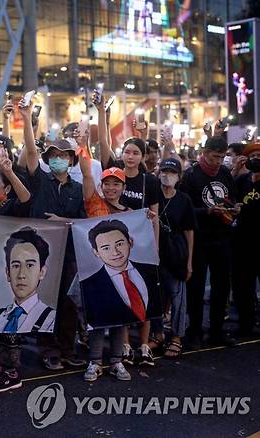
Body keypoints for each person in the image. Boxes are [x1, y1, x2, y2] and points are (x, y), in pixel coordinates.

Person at [20, 100, 86, 371]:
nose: (59, 158)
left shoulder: (79, 188)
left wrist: (64, 221)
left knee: (69, 303)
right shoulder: (40, 180)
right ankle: (48, 348)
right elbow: (31, 153)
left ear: (72, 160)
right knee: (45, 300)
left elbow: (84, 221)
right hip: (42, 252)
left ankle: (68, 348)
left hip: (69, 252)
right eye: (54, 154)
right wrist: (26, 119)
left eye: (64, 154)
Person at [96, 94, 160, 366]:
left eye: (136, 152)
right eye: (127, 151)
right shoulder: (114, 172)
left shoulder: (150, 181)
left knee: (144, 293)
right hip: (116, 245)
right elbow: (102, 144)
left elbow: (154, 216)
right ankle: (123, 344)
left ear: (143, 157)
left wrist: (155, 246)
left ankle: (143, 344)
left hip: (142, 244)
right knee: (121, 293)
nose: (130, 156)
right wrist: (102, 113)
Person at [179, 136, 237, 347]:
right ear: (205, 153)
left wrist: (233, 208)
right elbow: (184, 209)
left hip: (222, 237)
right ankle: (194, 329)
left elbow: (232, 197)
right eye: (215, 157)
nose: (218, 162)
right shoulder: (191, 175)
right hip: (199, 238)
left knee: (222, 285)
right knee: (196, 286)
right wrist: (207, 211)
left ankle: (216, 330)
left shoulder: (224, 173)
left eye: (222, 157)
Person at [78, 155, 131, 382]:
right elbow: (87, 173)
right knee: (97, 318)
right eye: (107, 183)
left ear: (123, 187)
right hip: (96, 272)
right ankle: (95, 362)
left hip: (122, 273)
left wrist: (148, 218)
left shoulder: (131, 213)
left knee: (120, 317)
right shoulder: (94, 204)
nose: (111, 188)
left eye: (116, 183)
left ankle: (117, 361)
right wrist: (82, 146)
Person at [149, 158, 195, 358]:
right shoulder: (153, 195)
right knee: (156, 297)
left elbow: (189, 232)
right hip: (155, 252)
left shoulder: (184, 200)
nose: (167, 175)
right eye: (164, 171)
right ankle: (158, 334)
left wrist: (189, 261)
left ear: (180, 176)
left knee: (178, 296)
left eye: (172, 172)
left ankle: (177, 337)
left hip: (176, 254)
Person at [81, 219, 161, 329]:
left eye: (119, 244)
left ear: (130, 242)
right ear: (96, 252)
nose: (115, 252)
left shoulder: (151, 270)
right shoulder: (88, 285)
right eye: (106, 248)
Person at [0, 228, 56, 334]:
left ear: (42, 272)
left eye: (30, 265)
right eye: (16, 266)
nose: (21, 275)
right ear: (8, 273)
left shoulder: (53, 320)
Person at [231, 142, 260, 337]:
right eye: (253, 156)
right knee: (243, 286)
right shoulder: (242, 181)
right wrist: (234, 170)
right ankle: (245, 324)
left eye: (259, 155)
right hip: (242, 242)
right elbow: (227, 195)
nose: (256, 158)